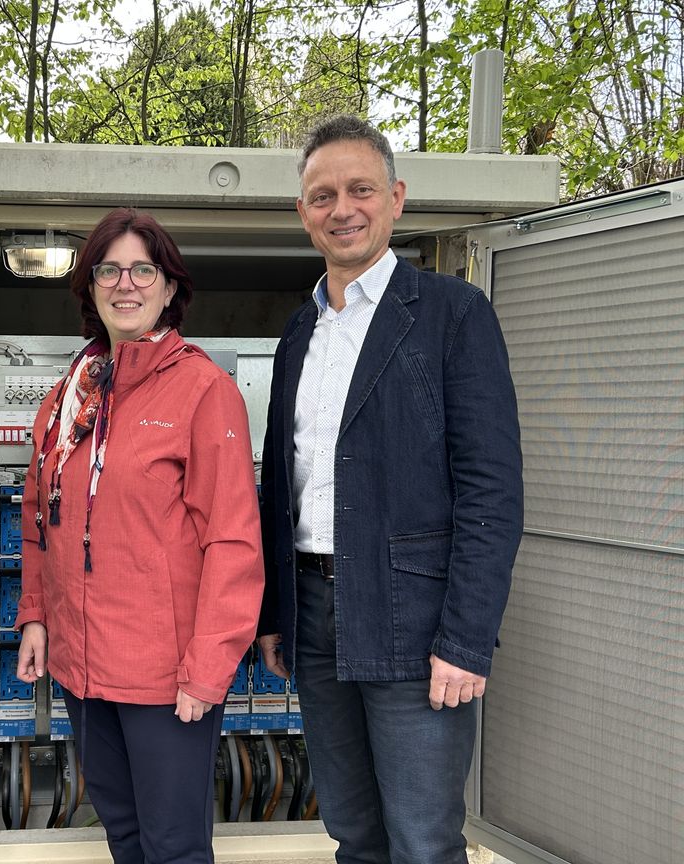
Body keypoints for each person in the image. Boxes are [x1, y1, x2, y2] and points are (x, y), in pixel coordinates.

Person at [257, 115, 523, 864]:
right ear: (302, 213)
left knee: (424, 840)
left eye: (360, 189)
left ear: (396, 198)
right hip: (313, 614)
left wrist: (466, 641)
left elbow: (491, 491)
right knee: (353, 830)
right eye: (322, 195)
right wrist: (277, 610)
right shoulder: (299, 332)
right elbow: (284, 485)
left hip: (416, 621)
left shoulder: (452, 315)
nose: (342, 208)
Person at [15, 208, 263, 863]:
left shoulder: (204, 390)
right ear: (91, 286)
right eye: (109, 269)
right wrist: (36, 617)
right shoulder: (70, 395)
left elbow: (233, 542)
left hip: (166, 677)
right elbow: (41, 518)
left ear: (170, 287)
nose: (126, 284)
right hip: (84, 671)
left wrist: (208, 670)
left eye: (143, 270)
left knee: (173, 846)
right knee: (123, 836)